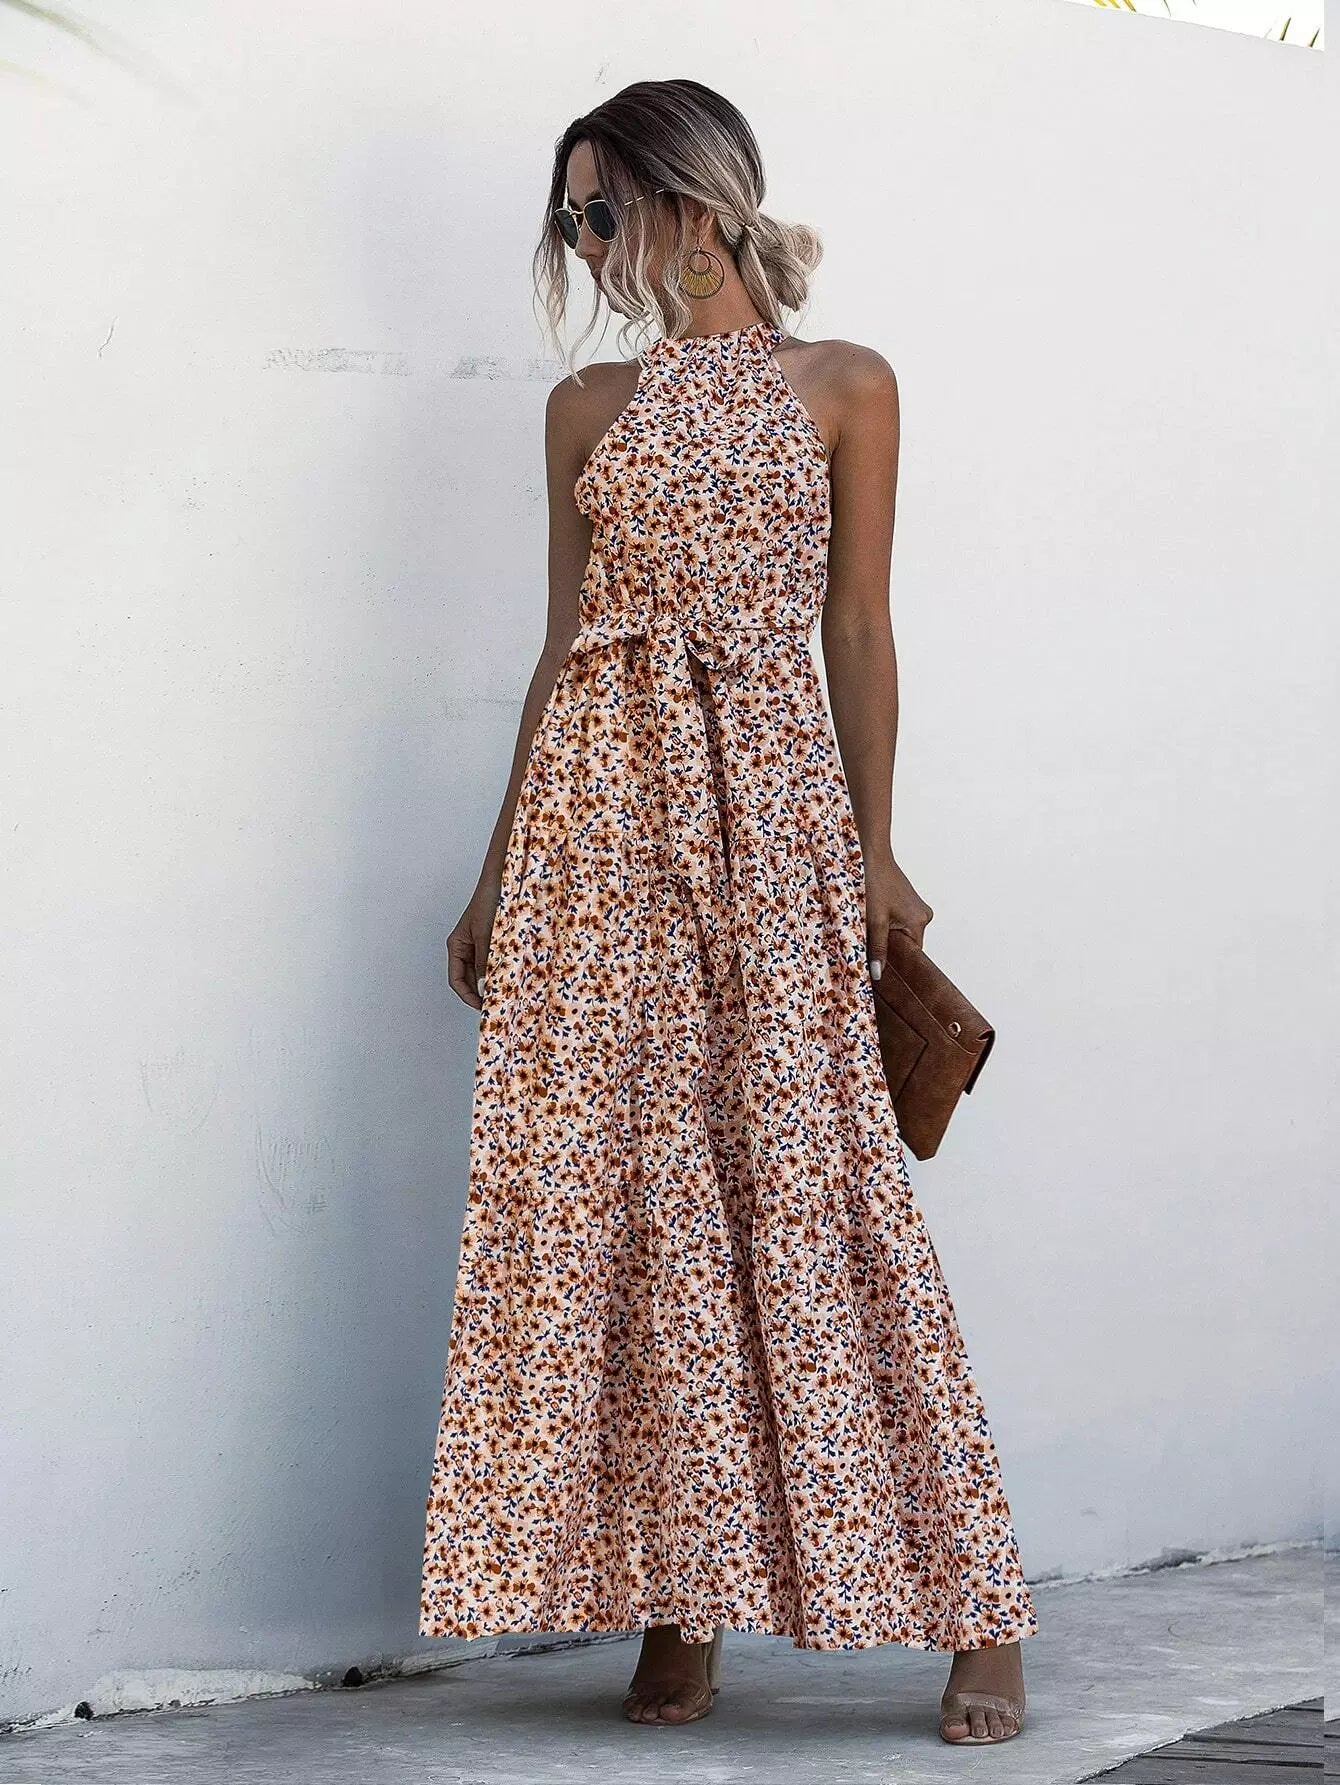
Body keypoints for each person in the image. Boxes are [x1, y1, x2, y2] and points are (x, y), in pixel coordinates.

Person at [419, 77, 1038, 1747]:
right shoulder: (584, 407)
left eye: (600, 208)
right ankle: (680, 1601)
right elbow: (562, 650)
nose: (584, 242)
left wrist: (874, 849)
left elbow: (860, 630)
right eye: (568, 217)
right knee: (639, 1202)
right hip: (601, 831)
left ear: (696, 203)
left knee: (818, 1180)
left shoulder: (845, 384)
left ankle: (979, 1608)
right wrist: (496, 870)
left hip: (768, 816)